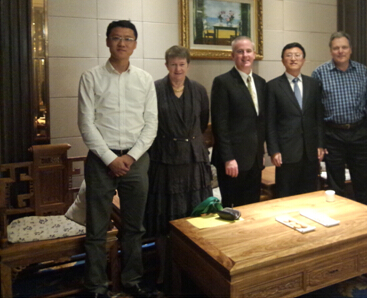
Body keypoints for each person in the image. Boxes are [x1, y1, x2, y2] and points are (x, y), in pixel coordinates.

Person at [78, 20, 157, 298]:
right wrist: (110, 159)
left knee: (134, 227)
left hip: (136, 160)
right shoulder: (91, 77)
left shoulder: (144, 79)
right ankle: (96, 287)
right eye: (116, 38)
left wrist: (131, 157)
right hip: (101, 161)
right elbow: (86, 124)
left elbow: (151, 124)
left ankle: (132, 281)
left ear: (135, 44)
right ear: (107, 41)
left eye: (128, 38)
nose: (122, 43)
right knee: (97, 229)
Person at [144, 45, 212, 287]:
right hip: (165, 160)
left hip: (193, 160)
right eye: (173, 64)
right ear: (166, 65)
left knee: (195, 216)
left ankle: (194, 269)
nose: (178, 69)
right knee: (165, 219)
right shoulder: (154, 89)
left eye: (182, 64)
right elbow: (148, 122)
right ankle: (165, 270)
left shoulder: (199, 90)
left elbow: (202, 122)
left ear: (188, 66)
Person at [312, 31, 367, 207]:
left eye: (344, 47)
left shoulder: (362, 71)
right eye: (336, 48)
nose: (340, 51)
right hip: (333, 135)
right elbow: (316, 110)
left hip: (360, 133)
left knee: (365, 182)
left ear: (350, 49)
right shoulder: (319, 73)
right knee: (335, 185)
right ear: (330, 50)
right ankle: (339, 217)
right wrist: (320, 141)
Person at [210, 36, 266, 207]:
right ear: (232, 55)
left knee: (252, 207)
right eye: (240, 52)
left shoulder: (261, 83)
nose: (245, 55)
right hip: (233, 161)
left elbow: (260, 122)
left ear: (254, 54)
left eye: (248, 51)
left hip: (254, 160)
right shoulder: (223, 82)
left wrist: (261, 153)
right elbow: (220, 124)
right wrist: (228, 158)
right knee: (232, 209)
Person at [266, 43, 325, 198]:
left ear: (303, 60)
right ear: (282, 60)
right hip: (286, 152)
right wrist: (274, 150)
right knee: (286, 195)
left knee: (310, 194)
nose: (293, 59)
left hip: (310, 151)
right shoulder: (273, 86)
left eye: (297, 55)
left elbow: (319, 117)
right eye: (289, 55)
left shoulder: (314, 84)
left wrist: (320, 144)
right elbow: (270, 122)